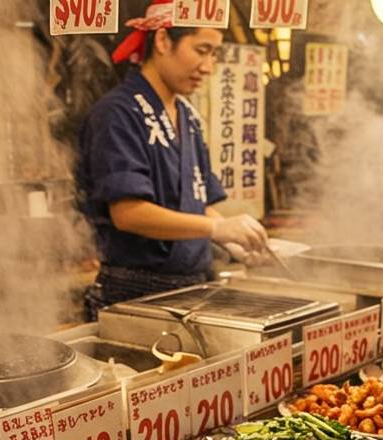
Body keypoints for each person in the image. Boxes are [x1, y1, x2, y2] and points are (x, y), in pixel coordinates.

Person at [77, 1, 269, 318]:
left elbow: (195, 203)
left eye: (214, 55)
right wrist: (214, 229)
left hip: (192, 288)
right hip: (134, 294)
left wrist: (237, 238)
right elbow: (129, 213)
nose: (208, 67)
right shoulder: (118, 113)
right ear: (164, 40)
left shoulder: (187, 117)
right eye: (201, 50)